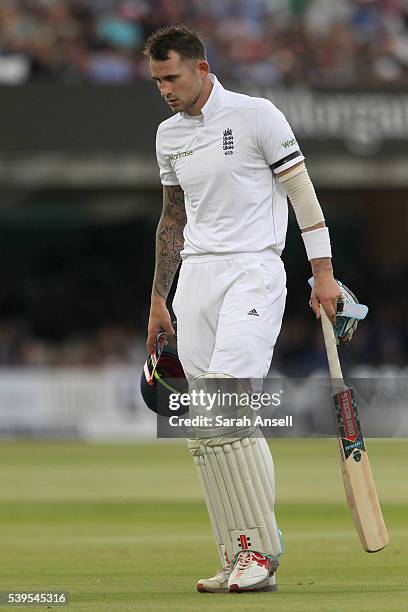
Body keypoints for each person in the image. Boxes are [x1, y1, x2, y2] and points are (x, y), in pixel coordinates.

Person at [144, 24, 341, 593]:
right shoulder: (167, 135)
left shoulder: (258, 115)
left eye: (172, 77)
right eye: (157, 81)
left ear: (202, 69)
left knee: (229, 409)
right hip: (196, 280)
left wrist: (323, 273)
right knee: (204, 428)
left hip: (253, 270)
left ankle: (261, 551)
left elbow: (302, 192)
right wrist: (159, 298)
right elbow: (173, 219)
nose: (165, 90)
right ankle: (234, 553)